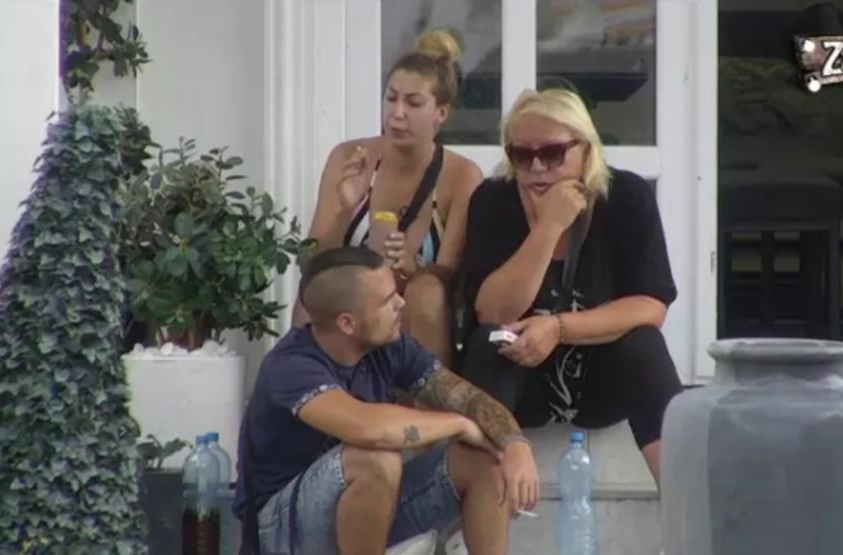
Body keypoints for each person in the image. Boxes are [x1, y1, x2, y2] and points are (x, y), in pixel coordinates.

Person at [234, 247, 539, 554]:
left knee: (483, 459)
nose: (401, 303)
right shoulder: (291, 365)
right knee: (375, 459)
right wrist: (458, 424)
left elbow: (469, 398)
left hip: (361, 515)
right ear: (347, 323)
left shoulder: (390, 346)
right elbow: (368, 428)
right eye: (386, 300)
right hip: (281, 532)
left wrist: (515, 444)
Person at [459, 88, 684, 485]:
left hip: (600, 375)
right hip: (521, 379)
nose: (537, 168)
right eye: (521, 155)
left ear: (586, 150)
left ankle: (685, 502)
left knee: (644, 344)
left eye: (553, 153)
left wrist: (559, 328)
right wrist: (548, 227)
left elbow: (651, 305)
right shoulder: (494, 200)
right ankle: (481, 505)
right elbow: (491, 312)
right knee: (488, 342)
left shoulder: (625, 196)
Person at [293, 29, 482, 367]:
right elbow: (312, 261)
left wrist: (412, 267)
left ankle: (426, 396)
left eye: (413, 103)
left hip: (413, 314)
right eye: (391, 98)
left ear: (441, 112)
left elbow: (452, 274)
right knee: (318, 292)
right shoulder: (350, 156)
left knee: (428, 291)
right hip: (353, 312)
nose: (397, 113)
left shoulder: (461, 175)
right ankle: (308, 385)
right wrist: (345, 210)